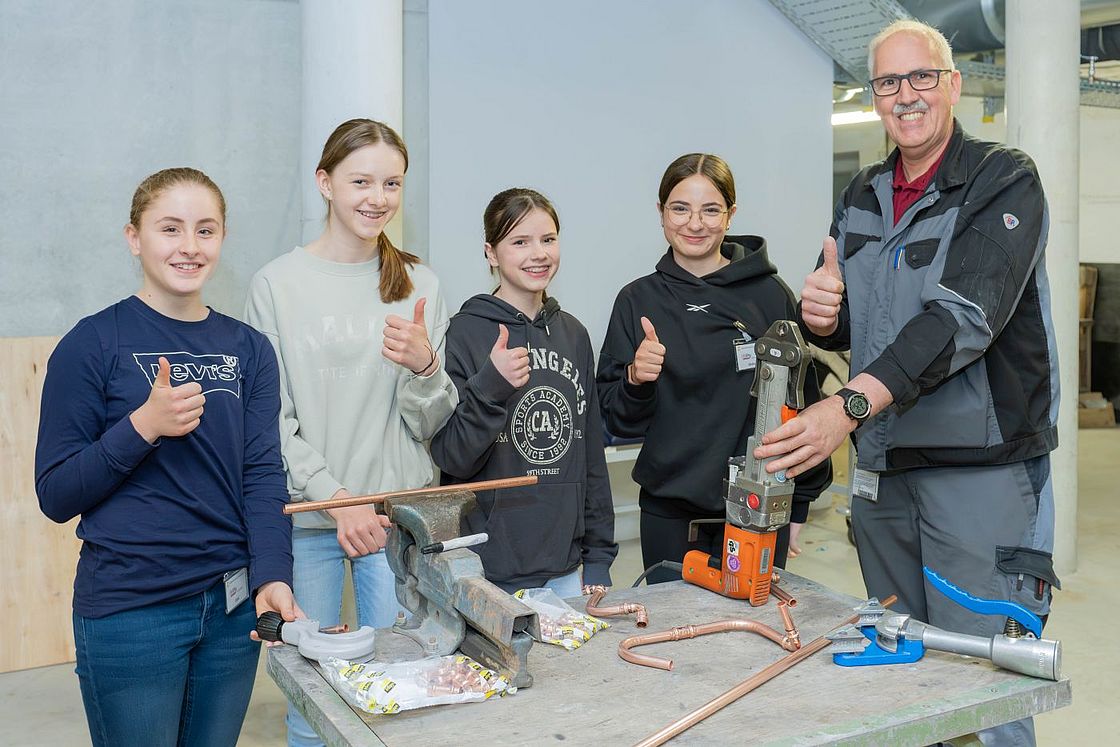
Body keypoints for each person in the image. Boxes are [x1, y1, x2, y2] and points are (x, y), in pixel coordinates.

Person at [754, 20, 1059, 747]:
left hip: (979, 472)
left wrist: (847, 405)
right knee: (901, 667)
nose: (906, 95)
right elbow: (867, 319)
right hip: (887, 470)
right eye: (888, 82)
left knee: (987, 681)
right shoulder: (862, 192)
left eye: (921, 76)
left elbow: (960, 319)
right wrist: (824, 317)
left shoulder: (1002, 180)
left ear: (953, 84)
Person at [35, 167, 299, 747]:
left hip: (231, 610)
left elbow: (261, 472)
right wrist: (142, 427)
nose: (189, 246)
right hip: (133, 610)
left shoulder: (247, 348)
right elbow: (55, 494)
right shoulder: (92, 344)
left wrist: (273, 573)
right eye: (170, 228)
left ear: (223, 238)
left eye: (206, 230)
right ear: (134, 237)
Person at [245, 118, 457, 747]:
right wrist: (337, 498)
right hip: (311, 517)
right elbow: (270, 422)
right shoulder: (276, 285)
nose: (377, 196)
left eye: (392, 183)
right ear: (325, 183)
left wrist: (425, 366)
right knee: (311, 695)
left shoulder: (421, 284)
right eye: (360, 180)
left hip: (397, 522)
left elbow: (431, 423)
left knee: (403, 683)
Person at [596, 154, 832, 585]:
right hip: (669, 512)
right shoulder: (637, 300)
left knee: (751, 640)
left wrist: (800, 503)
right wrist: (636, 379)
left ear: (731, 215)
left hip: (758, 504)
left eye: (710, 210)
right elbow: (617, 418)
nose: (695, 223)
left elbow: (802, 401)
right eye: (680, 208)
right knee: (674, 638)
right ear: (661, 213)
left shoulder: (768, 296)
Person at [430, 188, 617, 597]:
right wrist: (492, 385)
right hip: (488, 571)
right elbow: (452, 457)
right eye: (520, 242)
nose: (539, 254)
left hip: (568, 571)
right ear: (491, 253)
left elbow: (590, 458)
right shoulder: (464, 332)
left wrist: (599, 558)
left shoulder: (574, 334)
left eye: (548, 239)